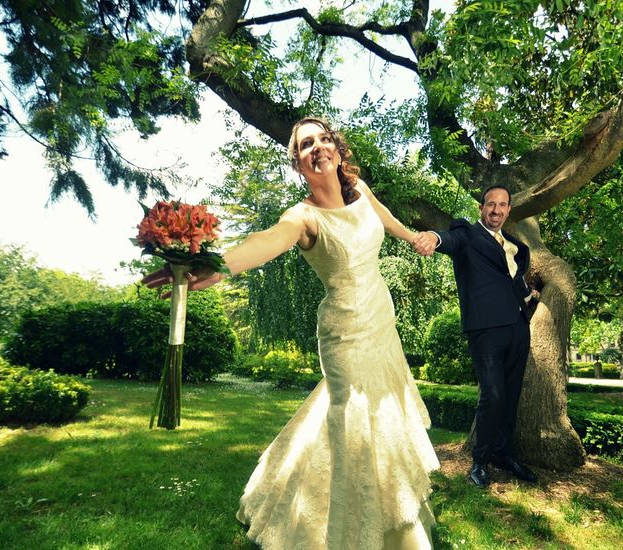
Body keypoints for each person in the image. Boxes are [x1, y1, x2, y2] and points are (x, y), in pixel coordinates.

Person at [143, 117, 439, 548]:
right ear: (298, 163)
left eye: (323, 139)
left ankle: (384, 520)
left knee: (383, 419)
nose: (317, 147)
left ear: (336, 150)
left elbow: (384, 218)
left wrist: (413, 236)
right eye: (305, 145)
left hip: (381, 325)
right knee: (357, 429)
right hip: (344, 336)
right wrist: (219, 266)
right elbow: (266, 242)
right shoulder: (303, 217)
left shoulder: (362, 194)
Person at [412, 185, 539, 488]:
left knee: (510, 396)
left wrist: (530, 294)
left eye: (503, 205)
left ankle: (503, 453)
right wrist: (434, 237)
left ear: (509, 210)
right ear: (482, 208)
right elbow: (449, 239)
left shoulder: (512, 245)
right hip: (485, 329)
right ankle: (480, 462)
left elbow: (512, 279)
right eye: (491, 204)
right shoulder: (467, 234)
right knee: (492, 394)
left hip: (518, 328)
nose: (496, 210)